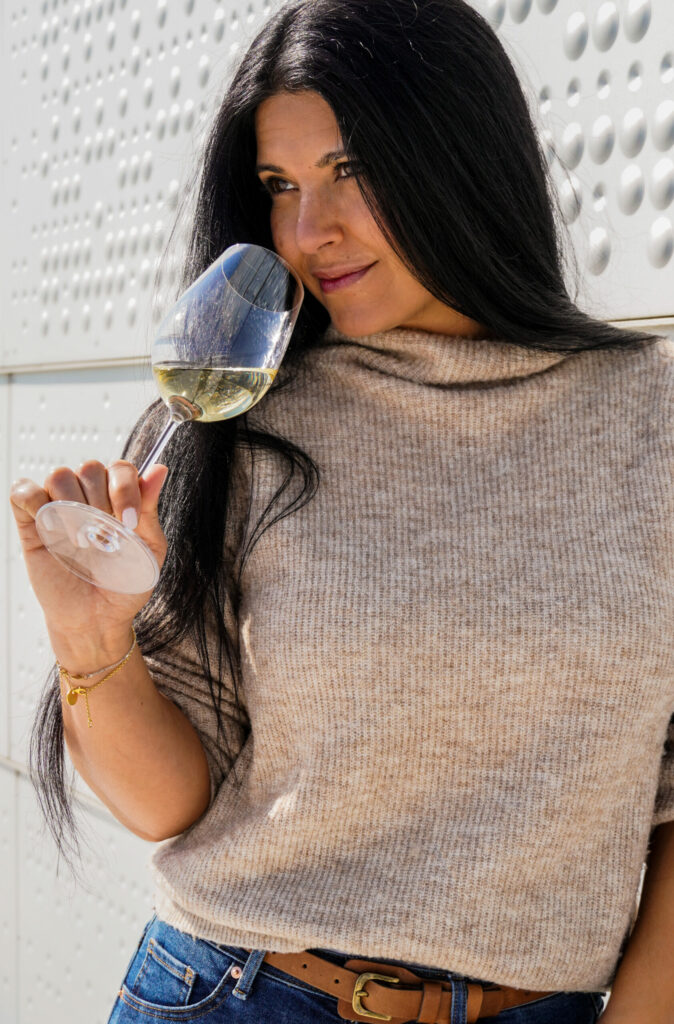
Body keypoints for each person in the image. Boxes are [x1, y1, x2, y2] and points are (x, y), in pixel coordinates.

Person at [9, 1, 674, 1022]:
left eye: (350, 169)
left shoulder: (650, 418)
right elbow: (168, 804)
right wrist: (91, 641)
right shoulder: (242, 414)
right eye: (279, 186)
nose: (306, 232)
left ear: (457, 157)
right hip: (238, 991)